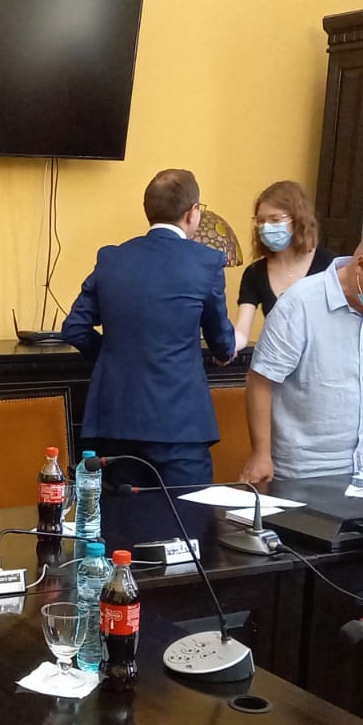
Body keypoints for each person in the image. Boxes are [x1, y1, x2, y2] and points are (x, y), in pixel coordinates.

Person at [61, 169, 236, 488]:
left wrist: (112, 357)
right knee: (187, 515)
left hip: (116, 421)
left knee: (125, 515)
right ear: (192, 212)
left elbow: (74, 328)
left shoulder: (112, 258)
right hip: (180, 425)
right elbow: (221, 342)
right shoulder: (206, 262)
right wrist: (226, 351)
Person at [240, 220, 363, 483]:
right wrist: (261, 454)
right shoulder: (299, 304)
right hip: (306, 470)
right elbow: (261, 380)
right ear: (361, 265)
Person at [232, 180, 335, 348]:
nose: (266, 227)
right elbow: (242, 331)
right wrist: (227, 347)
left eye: (275, 219)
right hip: (275, 361)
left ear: (298, 219)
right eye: (260, 221)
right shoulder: (254, 273)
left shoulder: (329, 265)